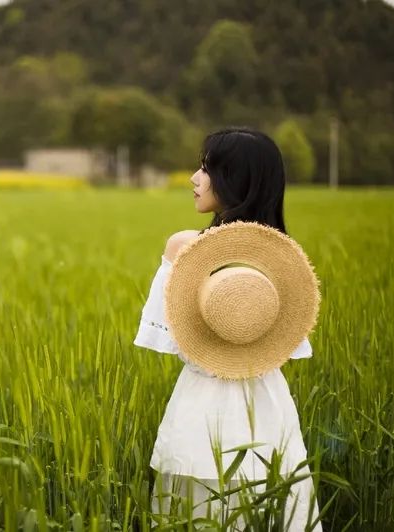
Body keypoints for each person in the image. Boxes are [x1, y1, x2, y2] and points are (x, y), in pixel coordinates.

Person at [134, 127, 323, 530]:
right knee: (271, 505)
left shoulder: (184, 247)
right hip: (268, 403)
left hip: (202, 401)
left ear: (234, 180)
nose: (194, 179)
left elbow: (174, 338)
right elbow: (285, 345)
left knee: (197, 513)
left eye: (206, 169)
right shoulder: (281, 261)